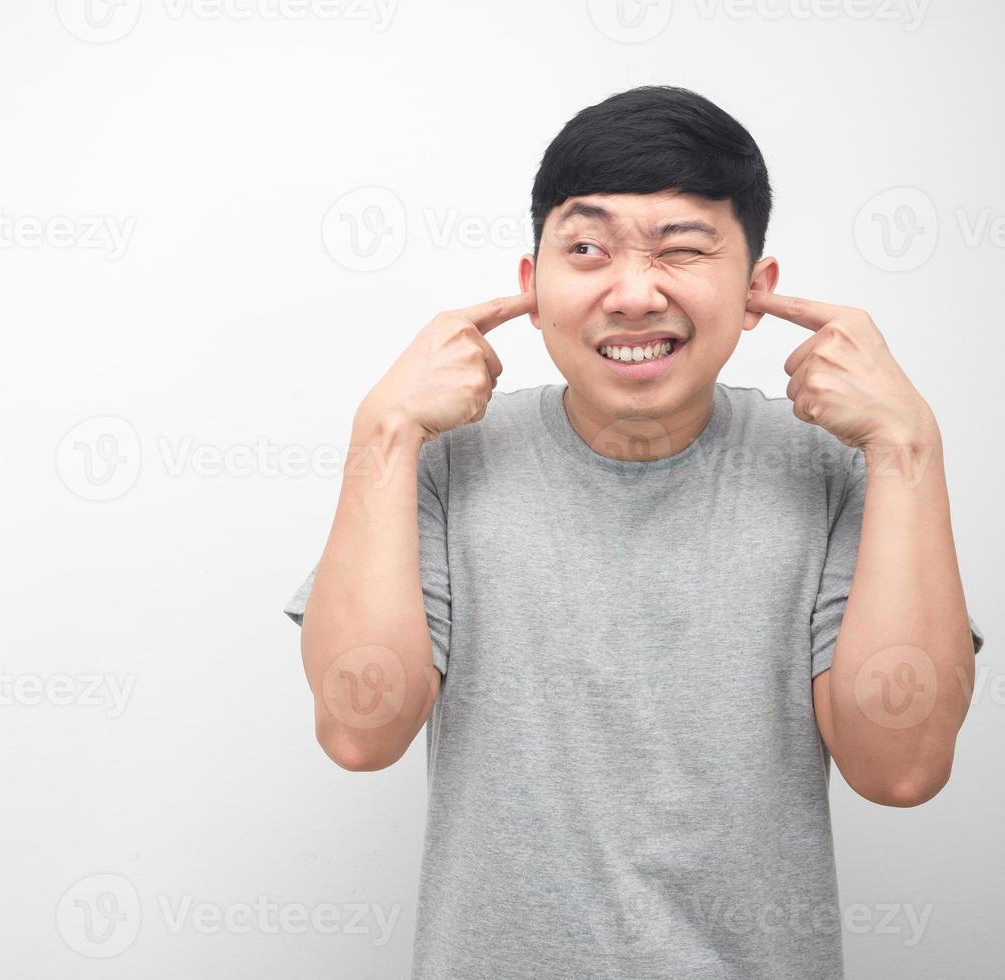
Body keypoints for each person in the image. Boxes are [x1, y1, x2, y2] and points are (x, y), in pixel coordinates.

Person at [281, 85, 986, 980]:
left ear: (755, 291)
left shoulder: (835, 467)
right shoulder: (443, 462)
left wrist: (908, 444)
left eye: (682, 249)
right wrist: (381, 433)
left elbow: (901, 769)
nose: (632, 291)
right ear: (532, 289)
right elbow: (359, 731)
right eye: (586, 249)